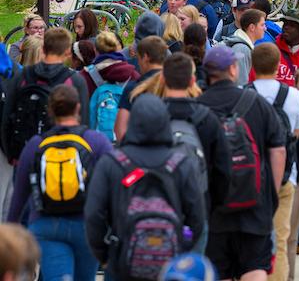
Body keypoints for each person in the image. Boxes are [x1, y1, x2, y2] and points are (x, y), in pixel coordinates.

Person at [84, 94, 205, 280]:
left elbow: (94, 214)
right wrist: (181, 247)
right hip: (168, 263)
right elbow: (197, 217)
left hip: (121, 261)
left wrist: (106, 256)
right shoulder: (181, 164)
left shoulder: (112, 163)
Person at [198, 45, 287, 281]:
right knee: (255, 267)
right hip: (255, 205)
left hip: (214, 208)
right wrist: (272, 193)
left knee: (220, 270)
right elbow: (278, 150)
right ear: (233, 69)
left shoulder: (197, 108)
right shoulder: (255, 102)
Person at [6, 86, 113, 281]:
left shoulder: (35, 144)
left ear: (50, 110)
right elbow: (113, 186)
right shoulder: (96, 142)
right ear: (79, 107)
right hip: (87, 226)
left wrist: (9, 237)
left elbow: (19, 196)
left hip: (46, 224)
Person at [159, 53, 231, 251]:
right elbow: (223, 169)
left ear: (163, 79)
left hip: (159, 210)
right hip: (198, 207)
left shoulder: (152, 117)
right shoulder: (207, 118)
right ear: (192, 81)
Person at [246, 45, 299, 281]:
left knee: (249, 237)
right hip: (285, 175)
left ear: (252, 66)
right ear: (279, 65)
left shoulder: (243, 93)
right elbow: (295, 132)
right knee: (279, 238)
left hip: (250, 176)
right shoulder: (293, 95)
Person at [2, 28, 90, 163]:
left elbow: (7, 117)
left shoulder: (22, 75)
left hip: (24, 153)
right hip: (61, 157)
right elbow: (83, 122)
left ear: (43, 48)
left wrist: (11, 155)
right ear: (67, 52)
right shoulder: (75, 80)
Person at [113, 36, 167, 141]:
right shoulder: (173, 83)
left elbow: (120, 128)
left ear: (145, 57)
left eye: (138, 58)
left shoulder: (133, 88)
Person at [223, 9, 267, 86]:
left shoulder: (241, 45)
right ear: (252, 27)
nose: (265, 28)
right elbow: (240, 83)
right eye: (262, 25)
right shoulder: (242, 49)